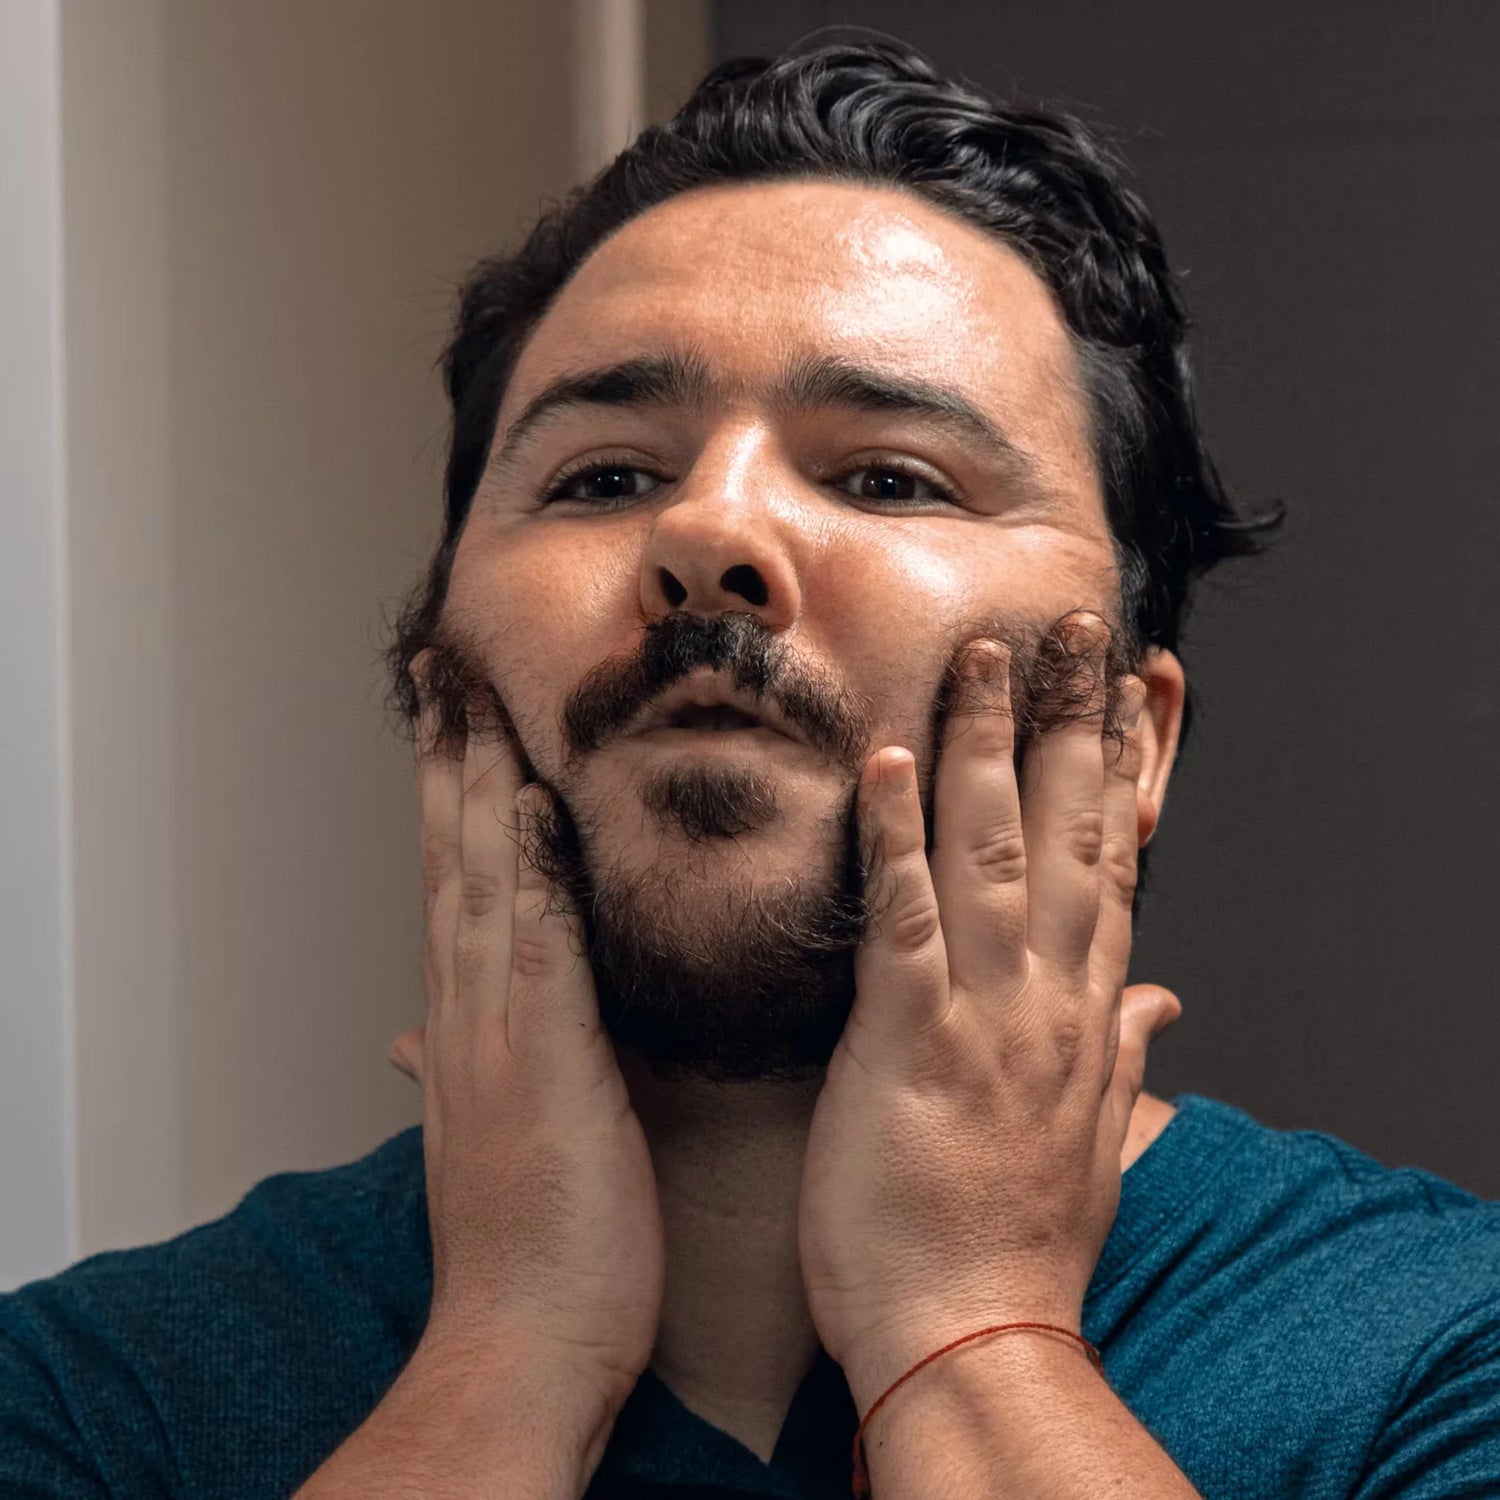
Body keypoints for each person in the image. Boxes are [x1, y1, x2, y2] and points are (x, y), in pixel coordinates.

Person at [3, 38, 1497, 1500]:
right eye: (605, 477)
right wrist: (511, 1360)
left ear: (1132, 738)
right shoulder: (82, 1404)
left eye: (887, 476)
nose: (705, 533)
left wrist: (975, 1338)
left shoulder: (1441, 1362)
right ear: (434, 679)